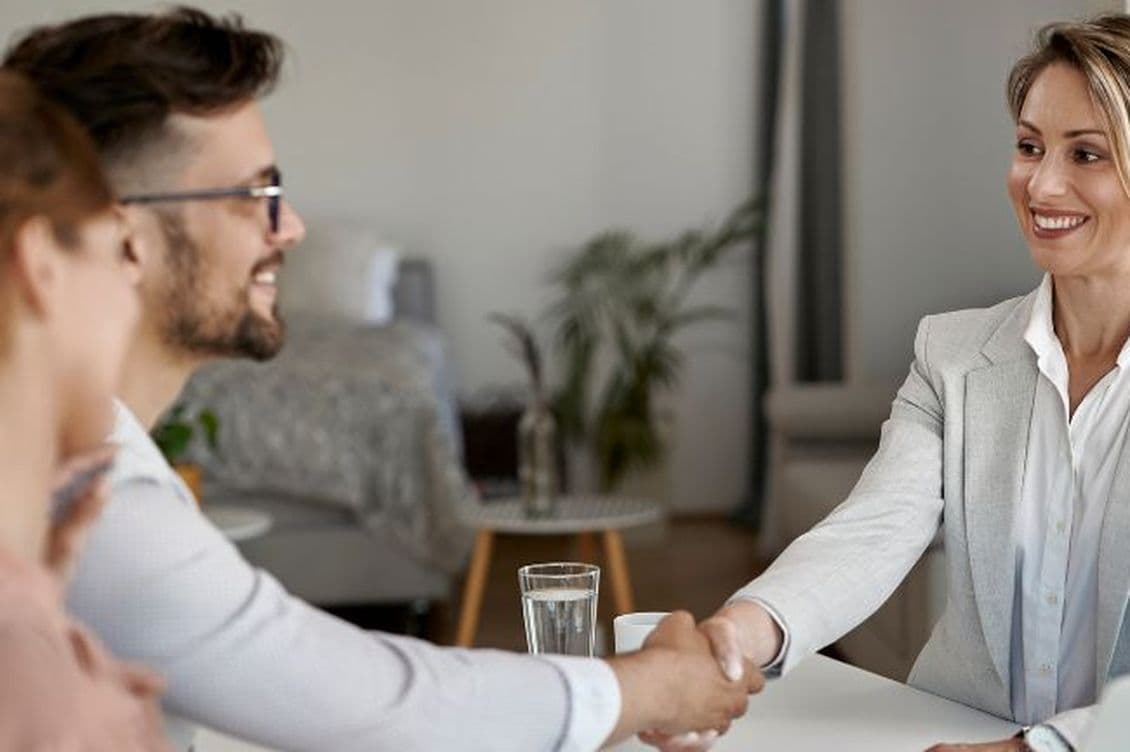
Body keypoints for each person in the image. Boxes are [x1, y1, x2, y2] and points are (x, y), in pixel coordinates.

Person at [3, 8, 761, 751]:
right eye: (257, 196)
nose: (289, 227)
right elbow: (362, 702)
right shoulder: (82, 494)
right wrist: (650, 687)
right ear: (121, 236)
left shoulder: (90, 462)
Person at [666, 14, 1130, 752]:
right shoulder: (952, 353)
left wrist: (1040, 748)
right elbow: (874, 531)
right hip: (950, 732)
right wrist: (736, 635)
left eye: (1087, 154)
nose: (1042, 183)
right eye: (1029, 146)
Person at [0, 69, 169, 750]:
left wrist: (42, 591)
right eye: (116, 252)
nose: (132, 299)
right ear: (40, 264)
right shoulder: (45, 697)